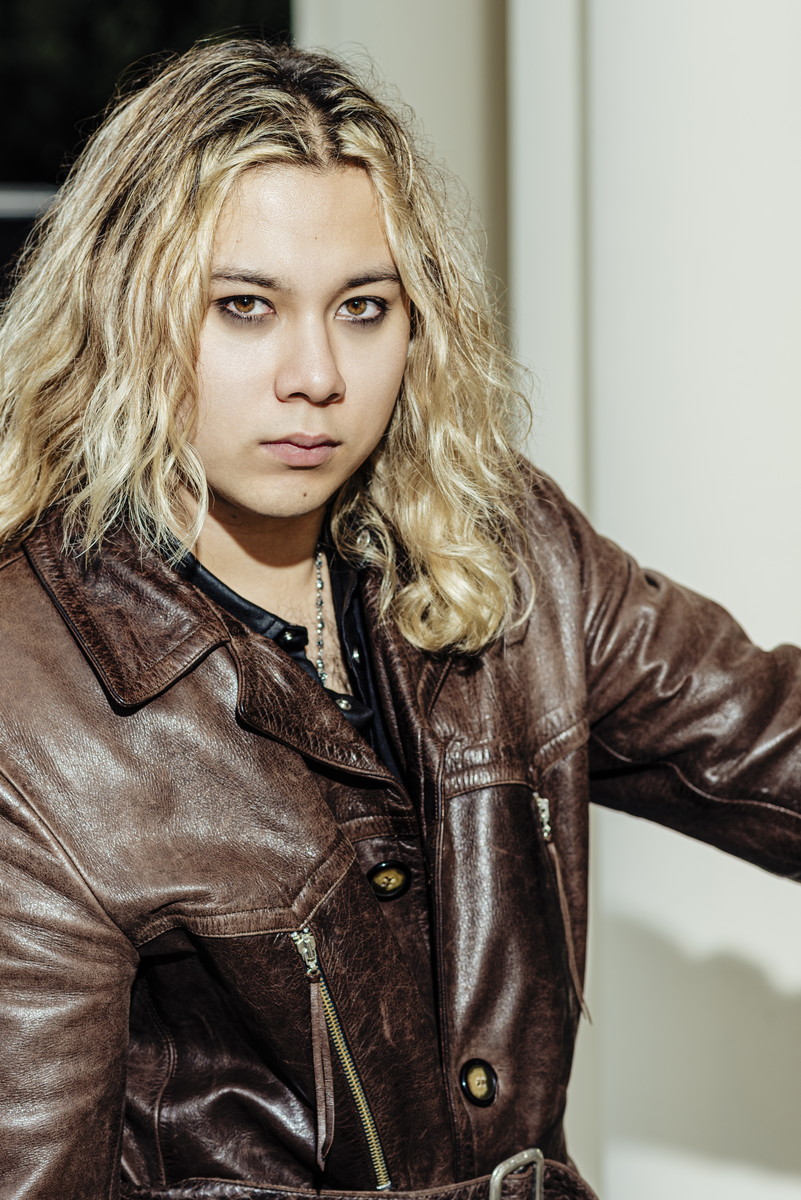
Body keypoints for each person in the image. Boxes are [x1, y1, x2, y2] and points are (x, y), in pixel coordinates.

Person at [0, 37, 799, 1200]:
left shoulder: (506, 550)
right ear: (123, 314)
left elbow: (770, 741)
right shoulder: (31, 698)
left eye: (363, 308)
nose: (317, 375)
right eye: (244, 307)